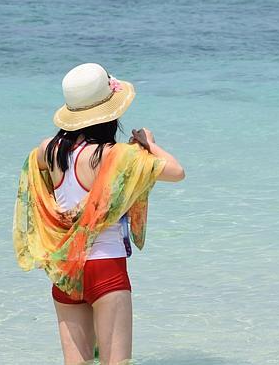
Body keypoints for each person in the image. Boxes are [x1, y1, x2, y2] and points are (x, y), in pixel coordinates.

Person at [13, 63, 185, 364]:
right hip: (106, 266)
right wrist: (150, 145)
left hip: (66, 268)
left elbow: (34, 179)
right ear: (109, 113)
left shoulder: (47, 151)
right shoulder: (117, 156)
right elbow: (177, 172)